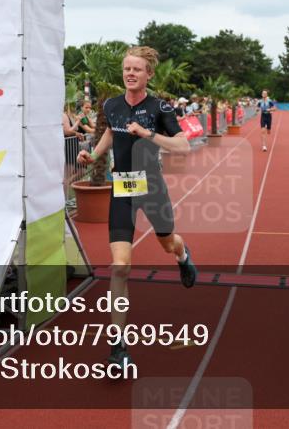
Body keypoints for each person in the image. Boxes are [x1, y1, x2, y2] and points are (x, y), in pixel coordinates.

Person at [77, 46, 197, 367]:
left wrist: (148, 133)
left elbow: (183, 146)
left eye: (137, 69)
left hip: (152, 188)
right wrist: (92, 154)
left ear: (149, 74)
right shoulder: (112, 105)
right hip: (123, 187)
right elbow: (109, 137)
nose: (130, 73)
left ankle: (183, 255)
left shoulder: (160, 107)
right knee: (120, 266)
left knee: (167, 242)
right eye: (127, 68)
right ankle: (118, 347)